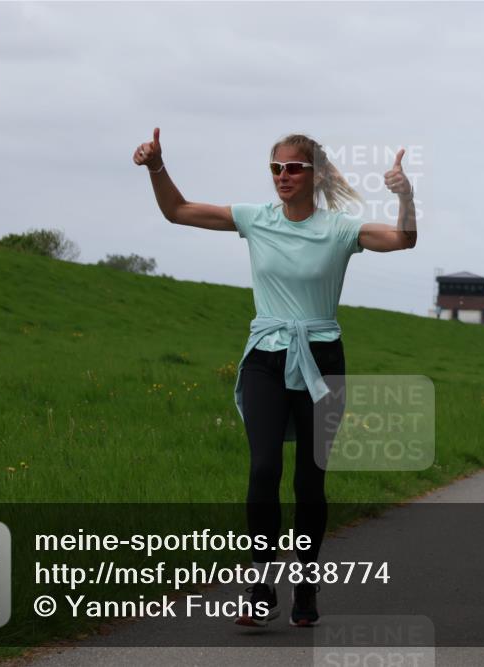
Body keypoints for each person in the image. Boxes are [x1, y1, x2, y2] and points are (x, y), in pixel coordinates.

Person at [134, 129, 417, 627]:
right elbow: (177, 211)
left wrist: (405, 197)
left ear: (316, 175)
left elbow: (403, 240)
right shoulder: (254, 219)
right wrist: (157, 167)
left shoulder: (341, 229)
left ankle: (305, 580)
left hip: (322, 360)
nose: (282, 177)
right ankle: (261, 582)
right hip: (265, 357)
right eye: (275, 168)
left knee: (310, 482)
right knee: (264, 469)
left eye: (293, 168)